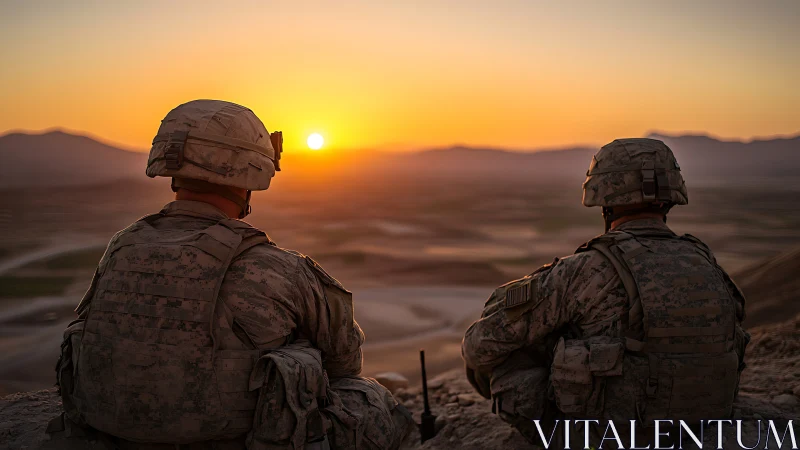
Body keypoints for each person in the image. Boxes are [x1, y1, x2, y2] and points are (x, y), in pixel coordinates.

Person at [49, 100, 413, 450]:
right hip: (234, 441)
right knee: (372, 399)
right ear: (251, 171)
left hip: (114, 436)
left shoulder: (121, 247)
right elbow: (344, 363)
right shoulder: (276, 267)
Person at [461, 138, 750, 447]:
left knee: (511, 354)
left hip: (609, 439)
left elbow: (479, 345)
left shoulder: (585, 270)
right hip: (702, 430)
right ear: (670, 196)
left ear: (602, 196)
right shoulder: (708, 264)